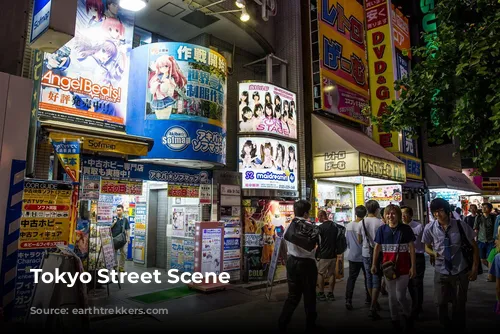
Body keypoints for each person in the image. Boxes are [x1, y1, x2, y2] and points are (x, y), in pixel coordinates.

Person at [422, 198, 479, 331]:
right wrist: (433, 253)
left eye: (440, 211)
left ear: (447, 211)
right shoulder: (430, 228)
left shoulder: (460, 225)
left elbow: (474, 247)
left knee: (459, 304)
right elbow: (426, 246)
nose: (437, 215)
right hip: (441, 270)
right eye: (434, 212)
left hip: (460, 270)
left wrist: (474, 268)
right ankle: (445, 326)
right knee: (440, 303)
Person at [372, 204, 416, 331]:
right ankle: (394, 319)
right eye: (388, 213)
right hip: (387, 268)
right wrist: (374, 264)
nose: (390, 216)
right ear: (384, 216)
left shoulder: (406, 229)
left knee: (400, 295)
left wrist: (413, 267)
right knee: (391, 295)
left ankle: (407, 315)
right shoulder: (381, 230)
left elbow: (412, 248)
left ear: (398, 215)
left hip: (404, 267)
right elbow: (377, 248)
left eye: (393, 213)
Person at [279, 200, 320, 332]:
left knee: (293, 295)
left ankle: (282, 322)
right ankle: (310, 325)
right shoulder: (311, 227)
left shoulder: (289, 226)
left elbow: (284, 244)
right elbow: (316, 247)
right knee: (309, 296)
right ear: (306, 212)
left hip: (292, 262)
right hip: (307, 264)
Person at [359, 200, 384, 320]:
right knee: (377, 279)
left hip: (365, 253)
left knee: (368, 278)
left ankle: (373, 302)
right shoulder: (380, 222)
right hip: (377, 254)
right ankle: (373, 306)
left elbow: (359, 240)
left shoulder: (361, 222)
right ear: (377, 209)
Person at [345, 205, 371, 310]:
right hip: (366, 255)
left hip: (353, 255)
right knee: (367, 278)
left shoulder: (349, 225)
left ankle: (348, 300)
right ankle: (369, 298)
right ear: (365, 214)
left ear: (356, 213)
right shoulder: (365, 225)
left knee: (351, 278)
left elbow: (347, 242)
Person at [402, 206, 425, 320]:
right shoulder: (400, 227)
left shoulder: (418, 226)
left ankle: (416, 307)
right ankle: (415, 305)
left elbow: (424, 242)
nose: (403, 216)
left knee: (417, 283)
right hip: (404, 257)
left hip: (418, 256)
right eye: (401, 214)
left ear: (411, 215)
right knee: (409, 283)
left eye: (405, 214)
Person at [315, 210, 340, 302]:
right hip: (333, 254)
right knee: (332, 274)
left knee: (320, 273)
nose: (318, 218)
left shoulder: (320, 228)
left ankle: (321, 293)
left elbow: (317, 241)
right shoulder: (335, 226)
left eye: (318, 216)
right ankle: (330, 294)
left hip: (323, 255)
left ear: (322, 216)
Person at [474, 202, 496, 273]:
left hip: (491, 241)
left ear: (490, 209)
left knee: (490, 258)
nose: (483, 208)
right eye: (483, 207)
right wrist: (475, 239)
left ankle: (491, 274)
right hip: (481, 240)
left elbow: (496, 229)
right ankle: (492, 270)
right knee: (482, 259)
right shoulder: (478, 217)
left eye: (485, 207)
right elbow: (476, 229)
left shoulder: (493, 217)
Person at [111, 205, 130, 272]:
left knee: (124, 252)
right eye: (117, 210)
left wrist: (128, 238)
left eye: (119, 210)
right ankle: (115, 266)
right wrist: (114, 222)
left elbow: (127, 229)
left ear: (123, 210)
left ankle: (121, 267)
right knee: (114, 253)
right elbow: (109, 227)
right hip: (114, 239)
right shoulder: (113, 218)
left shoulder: (125, 220)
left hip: (123, 239)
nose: (118, 211)